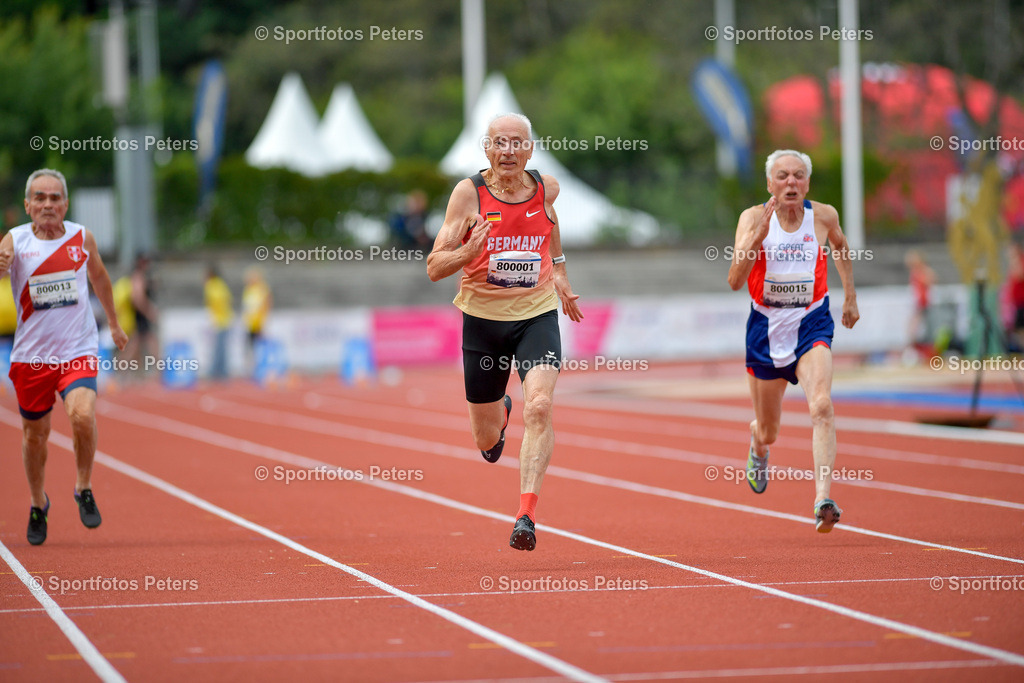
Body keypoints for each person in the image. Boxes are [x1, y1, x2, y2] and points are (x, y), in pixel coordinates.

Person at [427, 113, 583, 551]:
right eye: (500, 143)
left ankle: (526, 515)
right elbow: (434, 267)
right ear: (487, 149)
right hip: (482, 321)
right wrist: (467, 251)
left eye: (518, 143)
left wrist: (561, 272)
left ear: (531, 149)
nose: (509, 150)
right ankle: (500, 415)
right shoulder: (467, 195)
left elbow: (548, 223)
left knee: (541, 405)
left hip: (536, 316)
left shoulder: (546, 188)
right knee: (485, 439)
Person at [727, 150, 859, 533]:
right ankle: (758, 443)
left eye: (799, 176)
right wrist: (756, 238)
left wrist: (849, 295)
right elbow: (735, 280)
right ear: (769, 184)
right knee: (770, 429)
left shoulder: (824, 216)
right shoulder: (752, 218)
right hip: (765, 330)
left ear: (807, 183)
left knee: (822, 405)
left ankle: (822, 499)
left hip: (811, 322)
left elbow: (841, 246)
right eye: (782, 176)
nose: (791, 183)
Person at [0, 169, 128, 545]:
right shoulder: (15, 240)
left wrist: (116, 326)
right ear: (28, 205)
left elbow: (101, 278)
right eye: (40, 198)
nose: (48, 205)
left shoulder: (80, 237)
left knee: (82, 414)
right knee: (34, 436)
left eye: (55, 198)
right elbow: (2, 258)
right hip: (32, 357)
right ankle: (38, 502)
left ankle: (83, 486)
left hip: (77, 349)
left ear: (66, 204)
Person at [905, 249, 935, 357]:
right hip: (918, 303)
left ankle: (926, 350)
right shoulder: (915, 272)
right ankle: (913, 349)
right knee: (913, 327)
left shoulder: (924, 271)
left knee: (920, 327)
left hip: (923, 302)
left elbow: (931, 280)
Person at [241, 266, 272, 373]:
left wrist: (263, 320)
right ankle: (252, 368)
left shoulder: (262, 288)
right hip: (249, 323)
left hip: (258, 323)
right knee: (250, 347)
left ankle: (262, 368)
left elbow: (266, 304)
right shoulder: (248, 290)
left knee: (259, 347)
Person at [204, 265, 233, 380]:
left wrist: (214, 318)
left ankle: (216, 372)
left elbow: (214, 303)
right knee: (221, 348)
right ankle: (221, 372)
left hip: (220, 320)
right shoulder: (221, 284)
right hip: (225, 319)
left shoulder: (211, 286)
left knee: (219, 348)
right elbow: (228, 300)